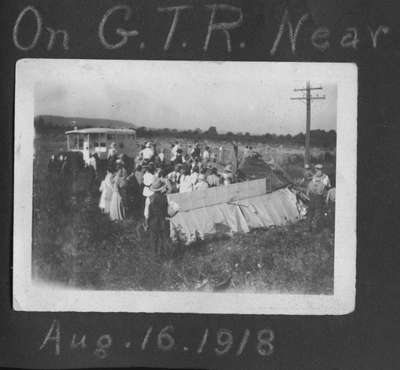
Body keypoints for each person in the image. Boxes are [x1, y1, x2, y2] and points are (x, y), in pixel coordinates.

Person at [306, 164, 330, 232]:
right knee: (318, 211)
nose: (317, 171)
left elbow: (309, 187)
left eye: (316, 169)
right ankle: (315, 227)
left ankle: (309, 226)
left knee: (311, 211)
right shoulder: (326, 177)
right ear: (322, 169)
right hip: (319, 196)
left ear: (316, 169)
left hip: (312, 195)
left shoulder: (314, 177)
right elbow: (327, 186)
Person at [147, 179, 169, 256]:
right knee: (163, 238)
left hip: (153, 220)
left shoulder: (150, 198)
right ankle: (163, 253)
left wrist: (148, 222)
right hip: (162, 220)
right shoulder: (164, 198)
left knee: (154, 238)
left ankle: (154, 254)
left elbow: (148, 212)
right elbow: (166, 211)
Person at [142, 163, 155, 228]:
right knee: (151, 205)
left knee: (147, 206)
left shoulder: (145, 175)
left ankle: (146, 221)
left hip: (147, 190)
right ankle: (148, 222)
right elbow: (153, 184)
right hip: (151, 190)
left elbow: (143, 181)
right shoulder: (153, 176)